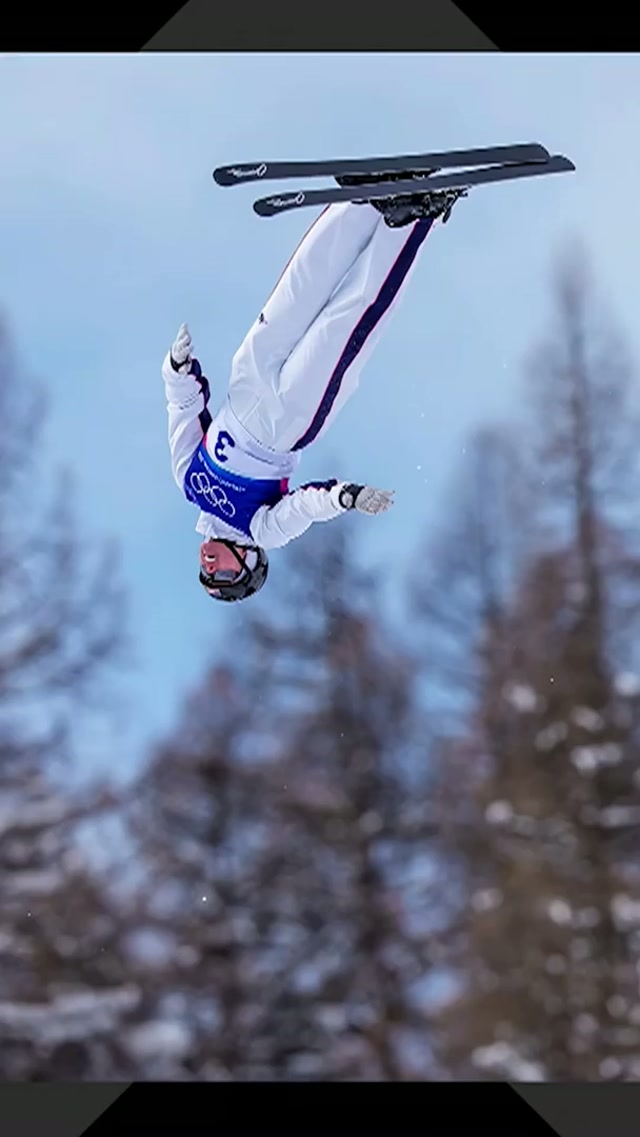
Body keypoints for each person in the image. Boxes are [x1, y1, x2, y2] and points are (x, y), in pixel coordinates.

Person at [162, 177, 467, 601]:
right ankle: (411, 221)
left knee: (299, 289)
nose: (209, 567)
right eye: (224, 576)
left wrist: (177, 369)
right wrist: (346, 497)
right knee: (346, 322)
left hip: (246, 383)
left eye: (204, 574)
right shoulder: (262, 530)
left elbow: (184, 409)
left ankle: (362, 205)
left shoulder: (189, 481)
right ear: (249, 561)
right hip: (289, 418)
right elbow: (306, 505)